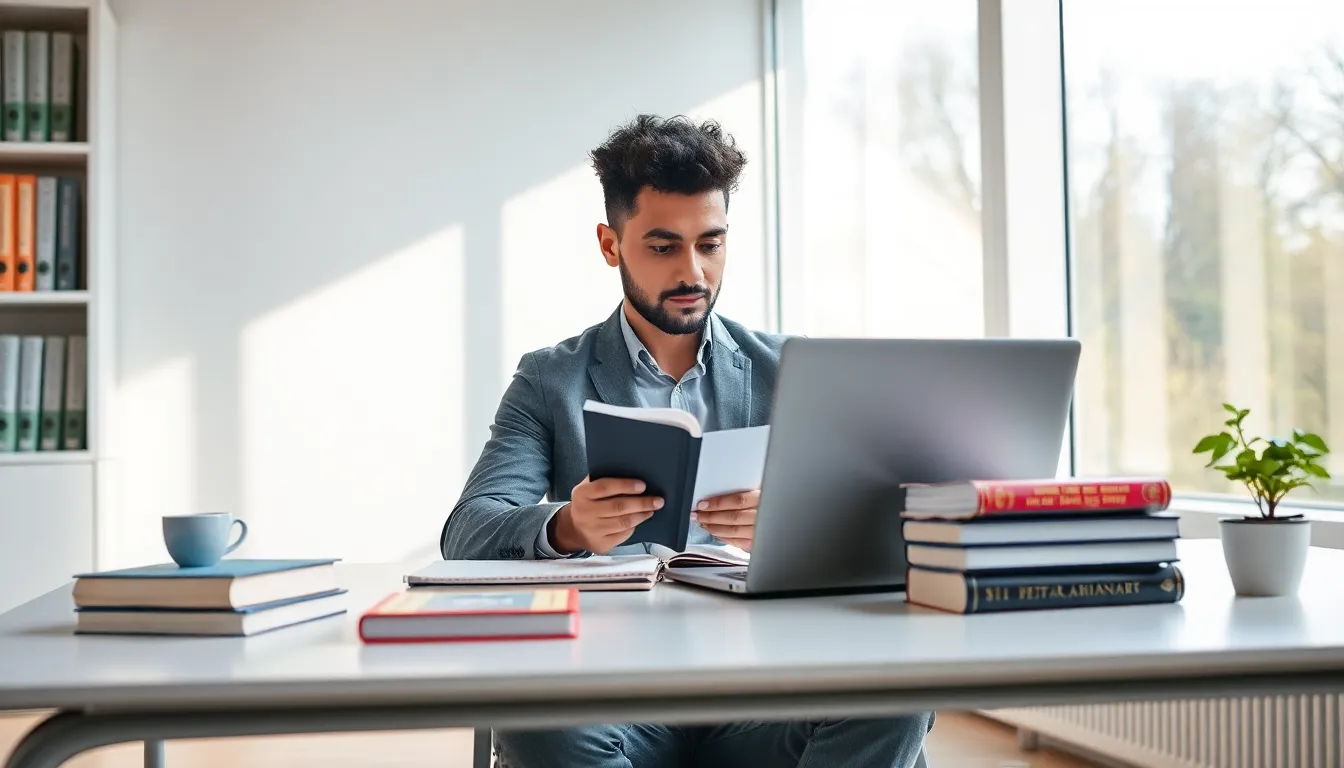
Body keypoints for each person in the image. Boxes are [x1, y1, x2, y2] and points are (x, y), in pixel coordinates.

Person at [439, 114, 933, 768]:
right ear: (611, 245)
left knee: (897, 697)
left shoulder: (795, 372)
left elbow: (883, 531)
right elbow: (468, 531)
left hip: (764, 689)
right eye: (664, 246)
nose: (694, 272)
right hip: (611, 693)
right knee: (540, 727)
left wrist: (796, 527)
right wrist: (566, 527)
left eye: (711, 243)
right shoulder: (549, 380)